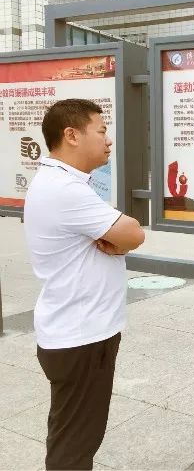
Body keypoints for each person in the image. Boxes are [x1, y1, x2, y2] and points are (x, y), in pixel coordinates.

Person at [24, 99, 145, 470]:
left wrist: (118, 238)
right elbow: (133, 233)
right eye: (102, 131)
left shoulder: (59, 183)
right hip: (82, 337)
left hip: (76, 331)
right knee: (75, 445)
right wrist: (121, 239)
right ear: (71, 135)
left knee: (71, 434)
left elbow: (121, 235)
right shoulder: (64, 189)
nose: (108, 140)